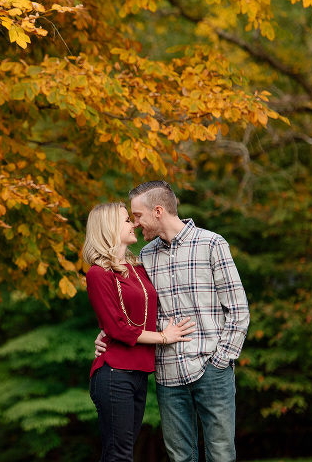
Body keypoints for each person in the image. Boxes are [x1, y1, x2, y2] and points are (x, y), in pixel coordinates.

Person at [95, 181, 250, 462]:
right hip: (167, 375)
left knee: (222, 454)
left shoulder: (212, 244)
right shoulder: (144, 256)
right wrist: (106, 333)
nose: (135, 223)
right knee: (180, 457)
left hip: (211, 369)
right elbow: (130, 306)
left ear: (157, 211)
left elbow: (238, 309)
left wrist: (221, 360)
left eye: (137, 216)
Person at [83, 202, 196, 462]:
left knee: (122, 453)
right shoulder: (98, 274)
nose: (134, 223)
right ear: (109, 228)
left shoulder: (139, 268)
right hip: (114, 373)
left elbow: (131, 319)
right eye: (126, 220)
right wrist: (164, 337)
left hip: (139, 373)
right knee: (119, 455)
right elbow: (116, 327)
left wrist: (108, 333)